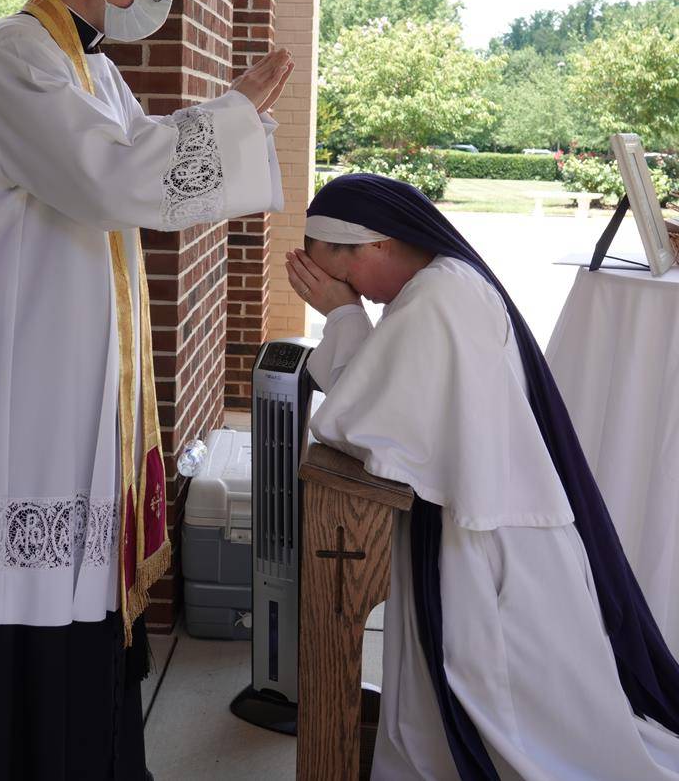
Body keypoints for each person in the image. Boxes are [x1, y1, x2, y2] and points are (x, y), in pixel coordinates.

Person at [0, 0, 293, 781]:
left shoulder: (93, 69)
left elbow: (141, 160)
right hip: (7, 380)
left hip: (60, 376)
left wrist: (227, 120)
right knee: (5, 584)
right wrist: (232, 113)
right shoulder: (15, 56)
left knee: (69, 580)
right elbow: (110, 177)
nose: (164, 3)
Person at [286, 172, 679, 781]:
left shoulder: (437, 299)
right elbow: (389, 397)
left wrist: (342, 316)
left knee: (512, 707)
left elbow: (359, 422)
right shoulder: (440, 285)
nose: (347, 291)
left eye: (341, 275)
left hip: (489, 542)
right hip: (481, 523)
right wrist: (345, 314)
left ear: (378, 245)